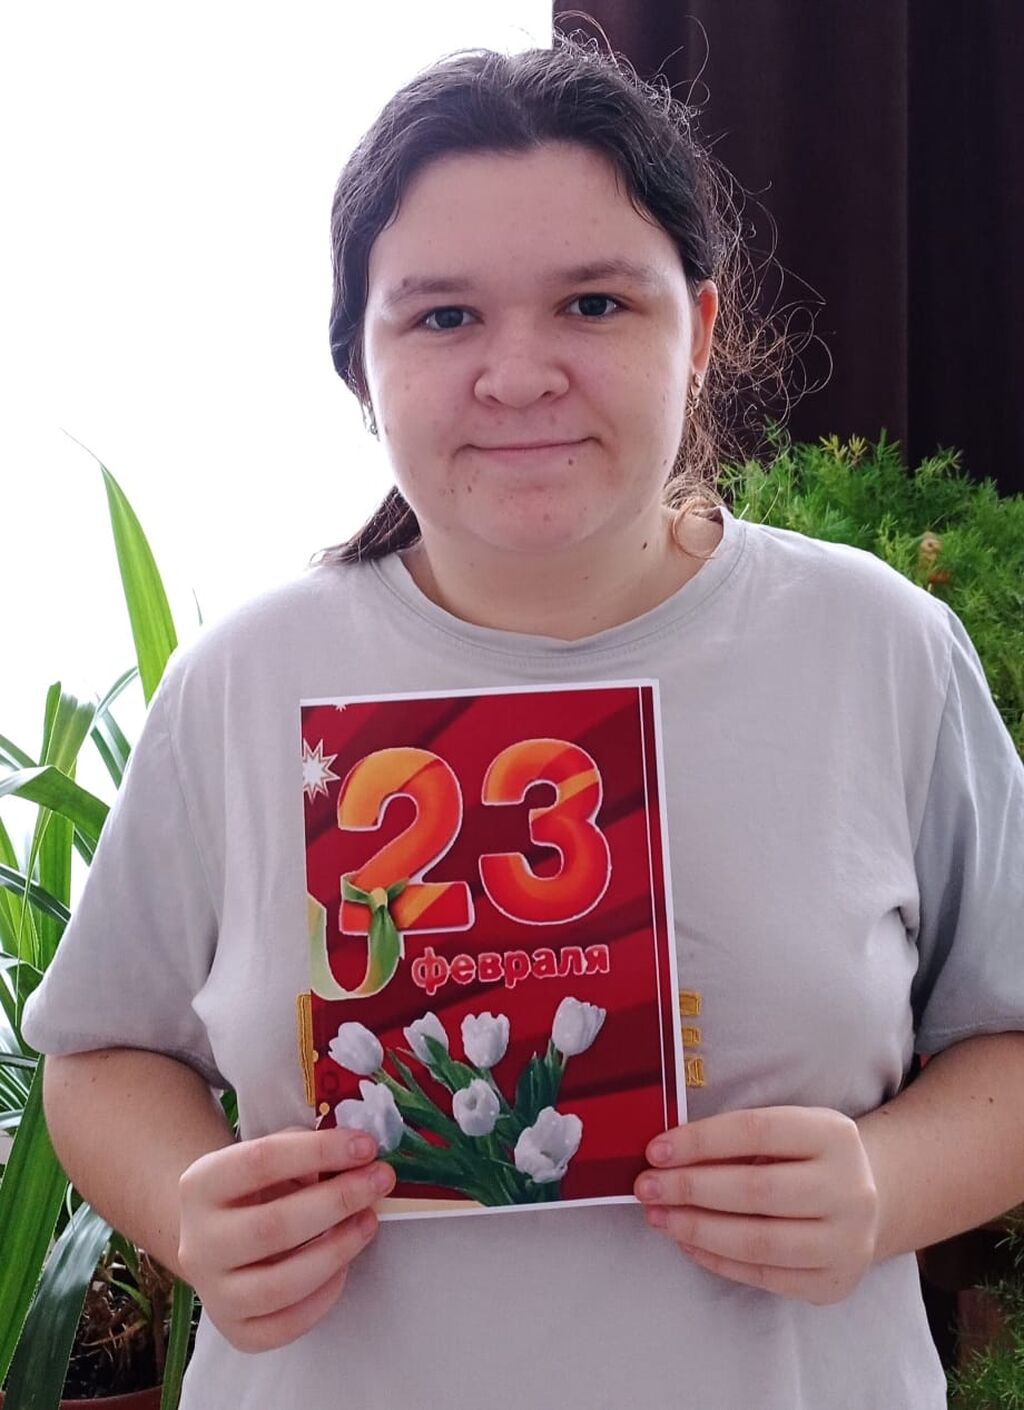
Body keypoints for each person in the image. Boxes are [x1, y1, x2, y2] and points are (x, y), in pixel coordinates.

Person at [22, 36, 1024, 1410]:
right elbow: (100, 1053)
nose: (518, 373)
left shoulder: (879, 648)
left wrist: (887, 1181)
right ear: (359, 363)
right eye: (442, 317)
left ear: (700, 330)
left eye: (595, 303)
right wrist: (189, 1209)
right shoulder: (243, 683)